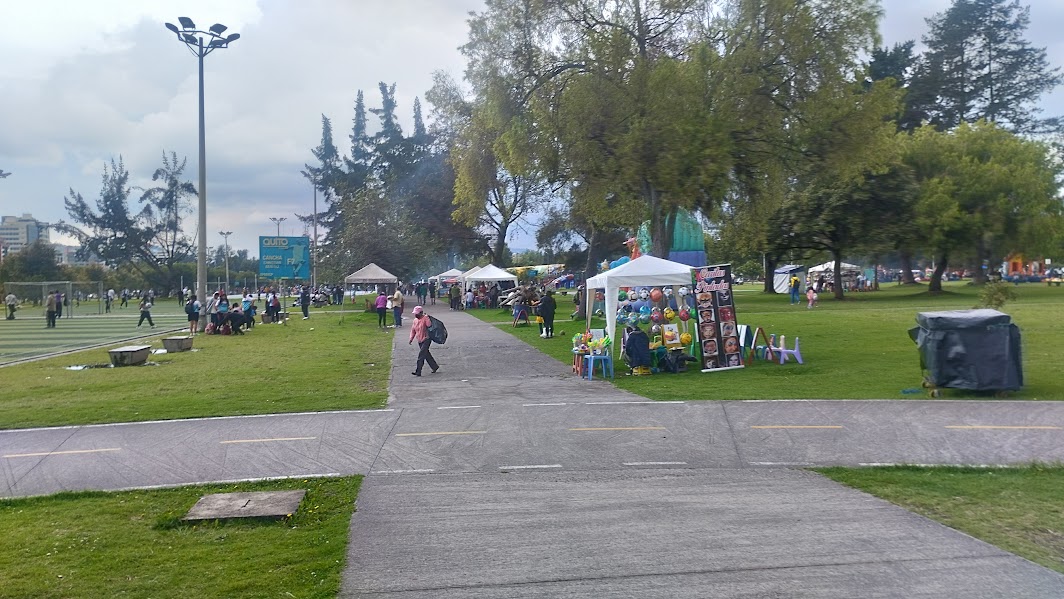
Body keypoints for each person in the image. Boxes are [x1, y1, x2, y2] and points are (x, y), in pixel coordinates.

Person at [408, 305, 439, 376]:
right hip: (419, 340)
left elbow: (429, 325)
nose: (416, 315)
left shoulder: (425, 318)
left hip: (426, 339)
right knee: (426, 354)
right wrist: (411, 339)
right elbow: (413, 330)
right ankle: (434, 366)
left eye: (417, 313)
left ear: (421, 313)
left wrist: (427, 317)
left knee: (421, 355)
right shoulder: (415, 321)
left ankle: (418, 371)